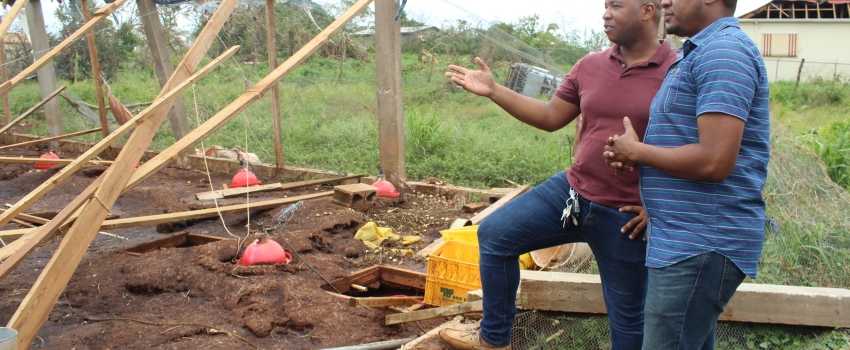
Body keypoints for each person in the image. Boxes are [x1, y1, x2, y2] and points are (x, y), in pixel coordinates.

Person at [438, 1, 676, 349]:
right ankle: (494, 339)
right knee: (495, 235)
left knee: (628, 321)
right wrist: (494, 91)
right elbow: (551, 116)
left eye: (617, 5)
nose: (606, 13)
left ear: (647, 10)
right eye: (605, 5)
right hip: (572, 193)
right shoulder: (591, 65)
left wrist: (660, 205)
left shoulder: (677, 71)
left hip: (627, 216)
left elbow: (699, 149)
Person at [602, 0, 770, 348]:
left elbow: (714, 161)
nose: (665, 1)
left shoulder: (724, 52)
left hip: (701, 242)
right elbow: (688, 143)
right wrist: (641, 163)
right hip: (685, 239)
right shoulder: (695, 53)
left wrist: (637, 152)